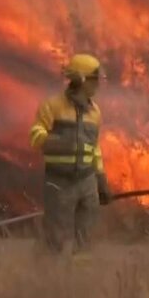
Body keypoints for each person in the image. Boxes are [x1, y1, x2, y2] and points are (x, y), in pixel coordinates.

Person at [28, 53, 113, 253]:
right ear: (81, 80)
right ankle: (50, 277)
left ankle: (82, 277)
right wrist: (56, 142)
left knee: (87, 236)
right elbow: (35, 134)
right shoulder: (52, 106)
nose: (98, 85)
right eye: (94, 80)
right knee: (56, 238)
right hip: (59, 181)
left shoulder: (95, 112)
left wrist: (101, 179)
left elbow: (95, 148)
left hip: (87, 181)